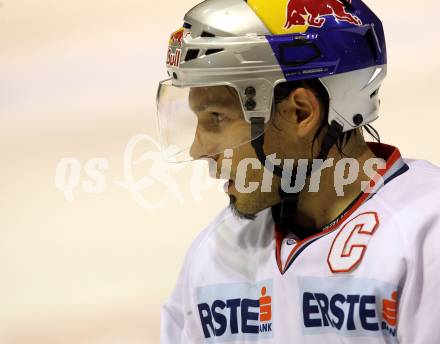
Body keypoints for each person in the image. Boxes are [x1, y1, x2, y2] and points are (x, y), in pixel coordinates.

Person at [156, 0, 440, 342]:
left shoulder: (426, 237)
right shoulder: (216, 256)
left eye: (217, 118)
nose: (198, 148)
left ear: (301, 113)